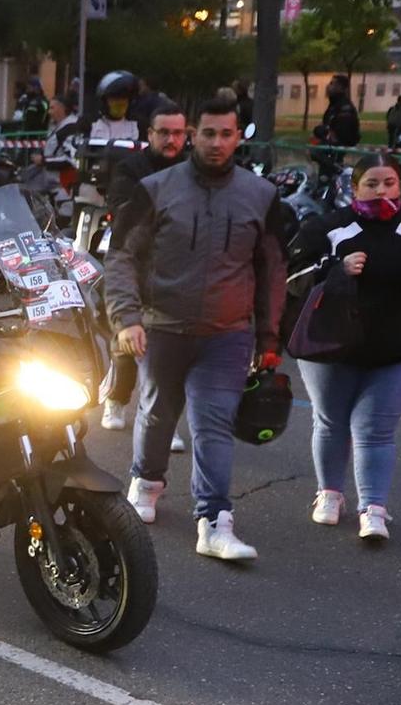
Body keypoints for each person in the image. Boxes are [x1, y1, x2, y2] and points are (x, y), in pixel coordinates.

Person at [104, 96, 287, 562]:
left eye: (227, 134)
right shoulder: (156, 189)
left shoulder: (260, 196)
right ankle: (146, 481)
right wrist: (126, 318)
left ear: (238, 136)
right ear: (192, 136)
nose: (217, 143)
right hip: (162, 325)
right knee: (158, 412)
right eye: (208, 133)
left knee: (213, 424)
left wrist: (268, 337)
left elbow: (271, 270)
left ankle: (214, 522)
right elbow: (121, 255)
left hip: (226, 334)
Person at [286, 154, 401, 542]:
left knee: (376, 430)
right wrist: (336, 270)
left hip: (396, 345)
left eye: (388, 182)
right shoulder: (327, 227)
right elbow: (292, 278)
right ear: (354, 188)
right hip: (331, 344)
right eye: (371, 183)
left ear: (400, 186)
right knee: (332, 422)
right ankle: (329, 494)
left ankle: (373, 509)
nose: (381, 190)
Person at [99, 102, 188, 431]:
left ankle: (164, 423)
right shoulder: (130, 169)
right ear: (149, 134)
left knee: (172, 350)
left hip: (180, 269)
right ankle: (117, 398)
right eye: (164, 132)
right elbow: (122, 210)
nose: (171, 140)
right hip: (135, 262)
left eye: (178, 133)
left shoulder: (193, 170)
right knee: (127, 342)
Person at [321, 75, 361, 147]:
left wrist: (324, 131)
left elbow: (342, 132)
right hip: (330, 146)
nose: (328, 86)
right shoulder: (334, 104)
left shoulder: (344, 107)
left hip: (338, 148)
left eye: (332, 84)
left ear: (341, 88)